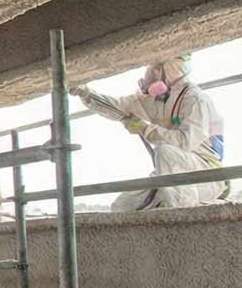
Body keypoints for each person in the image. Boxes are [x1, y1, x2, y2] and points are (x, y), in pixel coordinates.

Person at [72, 53, 227, 211]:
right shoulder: (157, 99)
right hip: (170, 173)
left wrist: (144, 128)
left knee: (165, 152)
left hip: (206, 176)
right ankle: (170, 203)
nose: (146, 79)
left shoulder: (195, 100)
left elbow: (186, 141)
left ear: (161, 72)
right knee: (122, 206)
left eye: (151, 71)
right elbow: (118, 107)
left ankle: (185, 216)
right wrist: (84, 93)